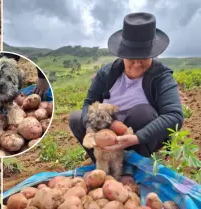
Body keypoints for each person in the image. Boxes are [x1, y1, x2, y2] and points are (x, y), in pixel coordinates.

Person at [69, 12, 184, 164]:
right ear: (123, 54)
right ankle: (102, 160)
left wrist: (137, 138)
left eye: (143, 57)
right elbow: (89, 103)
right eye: (131, 57)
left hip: (139, 138)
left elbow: (174, 115)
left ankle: (136, 163)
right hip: (106, 131)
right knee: (77, 118)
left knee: (143, 113)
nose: (137, 63)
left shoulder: (161, 76)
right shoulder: (106, 73)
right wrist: (91, 131)